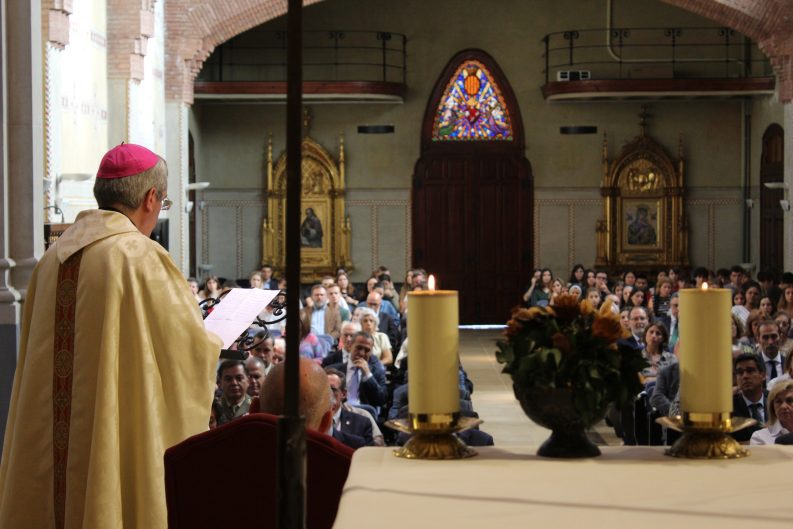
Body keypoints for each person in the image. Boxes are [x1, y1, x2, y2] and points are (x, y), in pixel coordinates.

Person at [0, 143, 222, 529]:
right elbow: (187, 352)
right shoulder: (140, 256)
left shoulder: (50, 261)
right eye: (163, 203)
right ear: (150, 198)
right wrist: (215, 340)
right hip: (108, 439)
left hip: (49, 449)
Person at [750, 379, 793, 445]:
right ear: (772, 407)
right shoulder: (759, 437)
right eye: (778, 402)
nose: (783, 406)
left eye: (790, 401)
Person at [216, 360, 252, 425]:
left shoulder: (256, 406)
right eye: (228, 379)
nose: (234, 383)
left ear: (248, 381)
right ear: (220, 383)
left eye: (239, 378)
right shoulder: (214, 407)